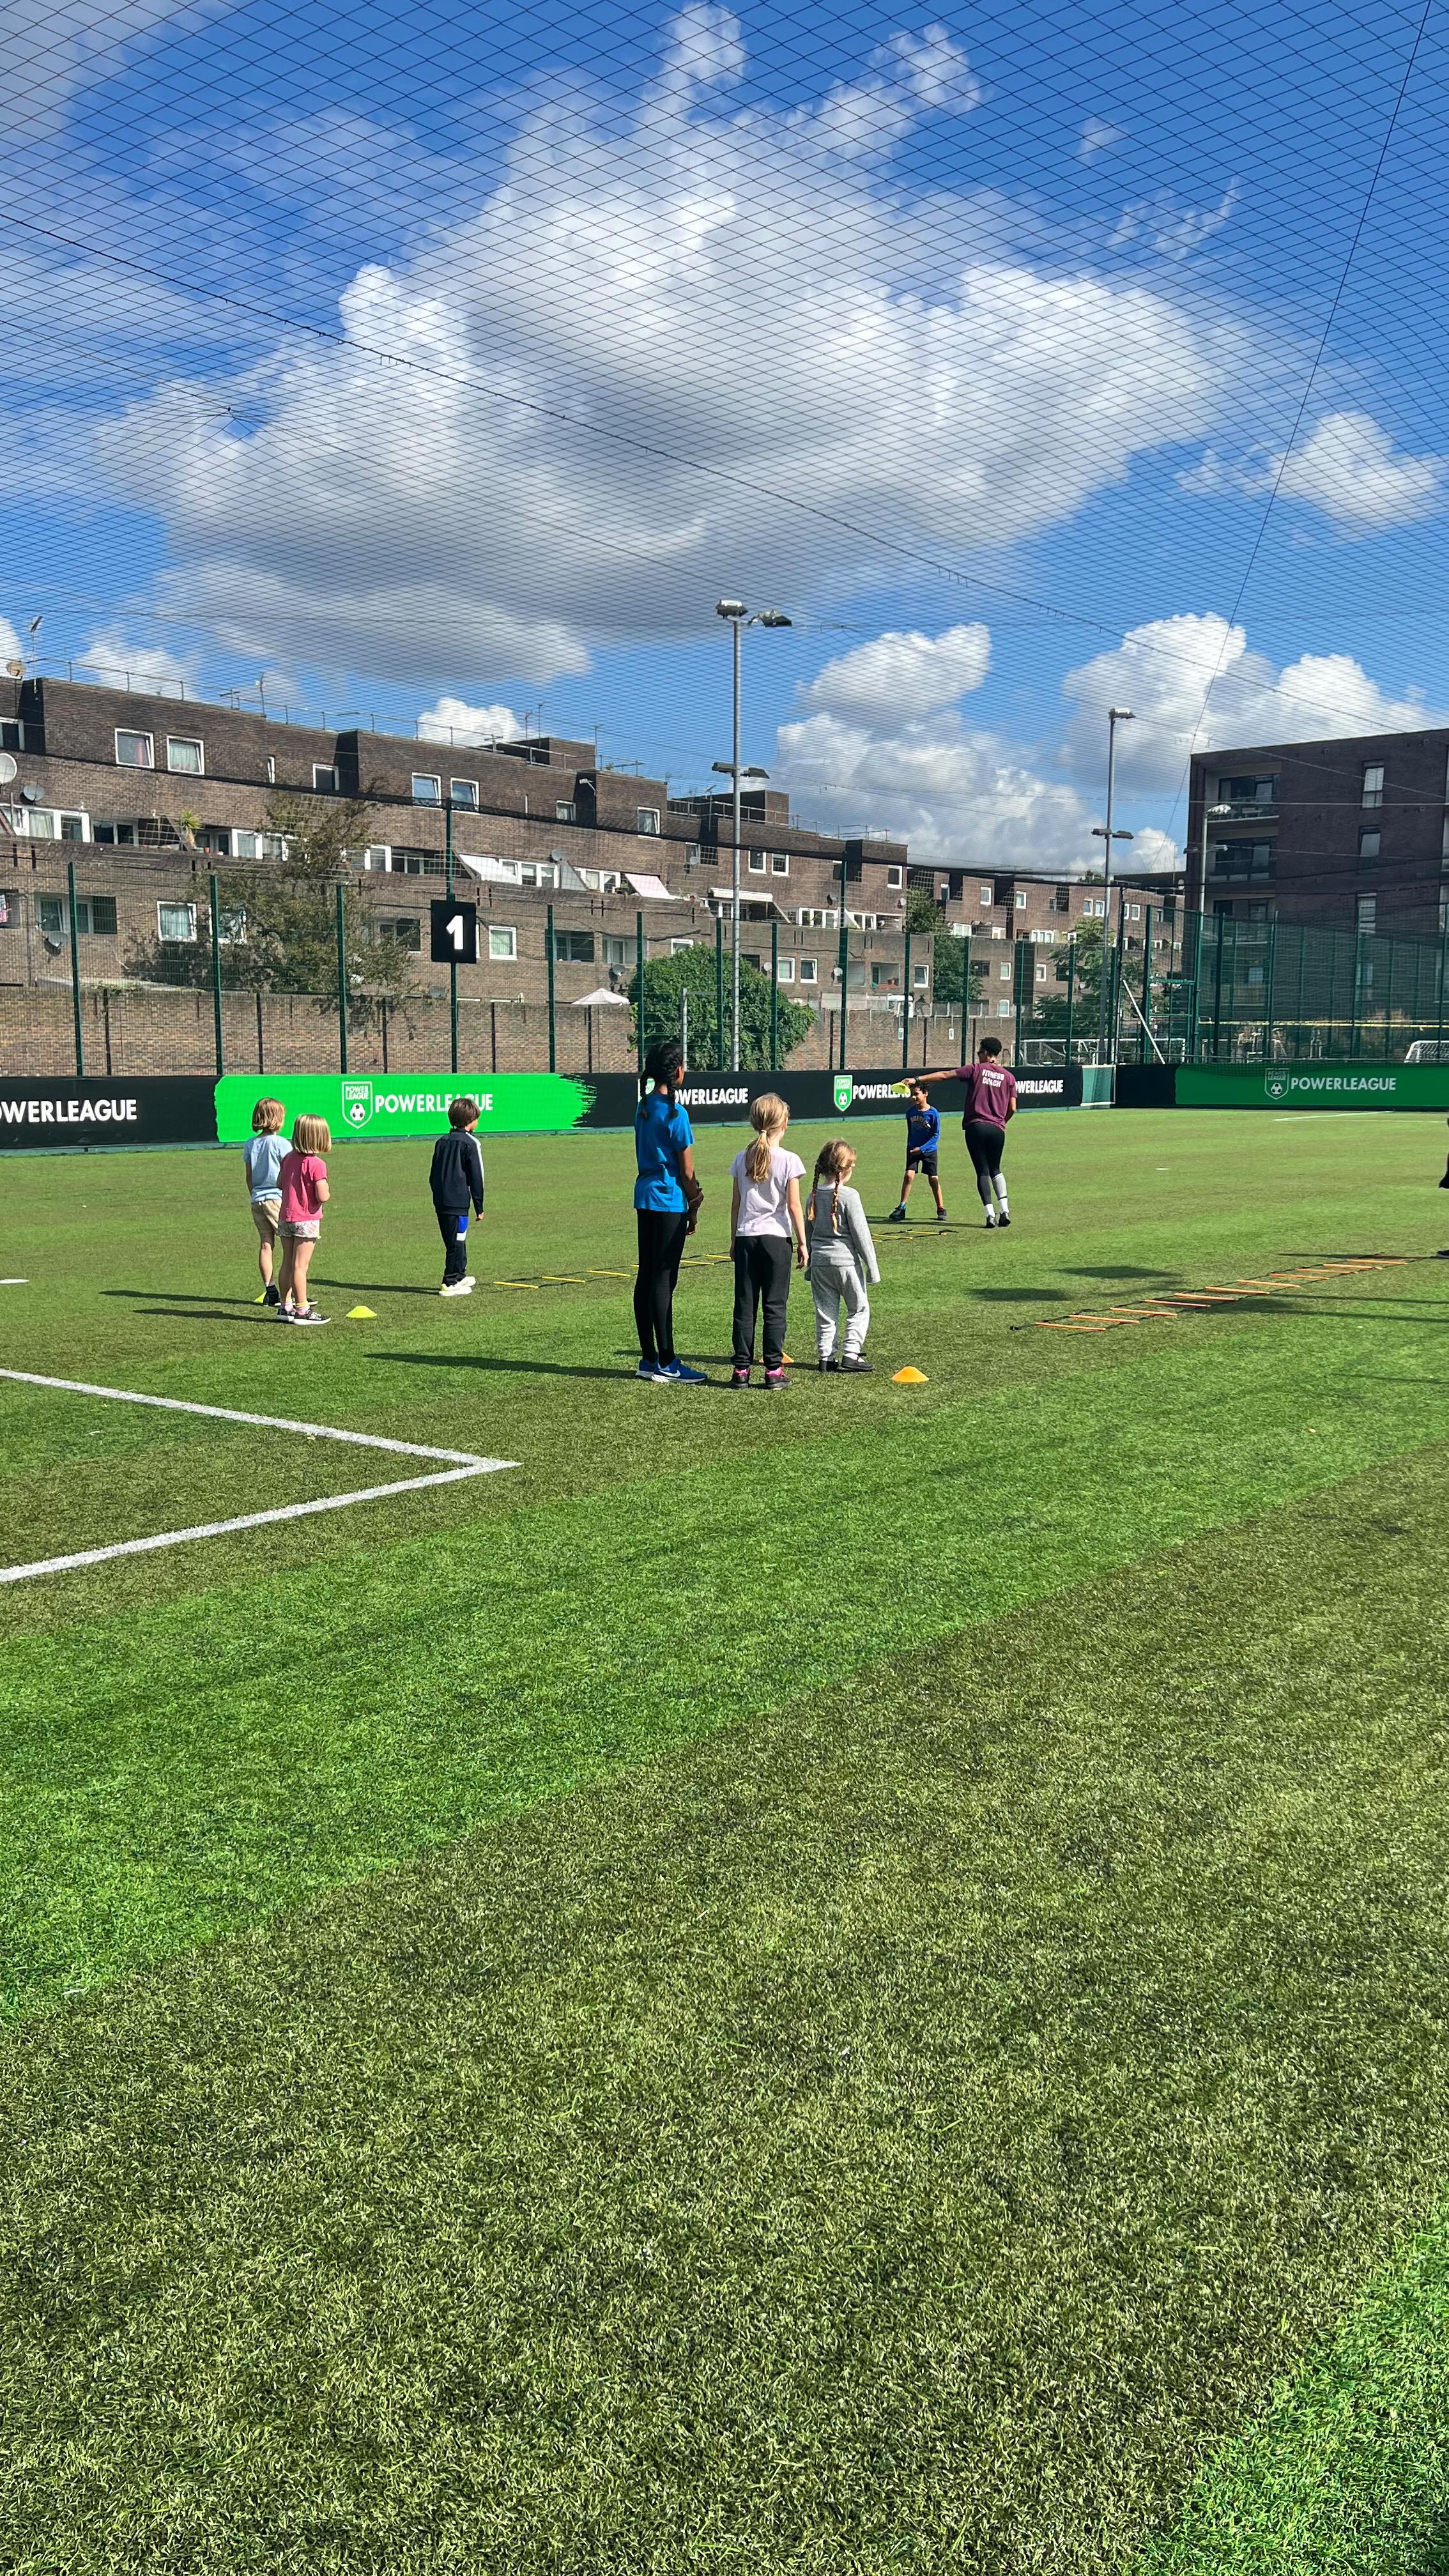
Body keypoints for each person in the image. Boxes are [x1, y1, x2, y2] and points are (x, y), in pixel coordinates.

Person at [633, 1037, 706, 1383]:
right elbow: (687, 1172)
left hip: (645, 1196)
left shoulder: (643, 1107)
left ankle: (648, 1359)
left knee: (646, 1276)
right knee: (663, 1279)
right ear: (678, 1072)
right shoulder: (677, 1113)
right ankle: (667, 1360)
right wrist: (695, 1200)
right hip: (668, 1200)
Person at [729, 1092, 806, 1392]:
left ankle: (741, 1370)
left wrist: (734, 1238)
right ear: (784, 1122)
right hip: (777, 1240)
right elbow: (794, 1206)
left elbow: (736, 1204)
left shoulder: (741, 1158)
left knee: (745, 1306)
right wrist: (803, 1242)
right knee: (775, 1306)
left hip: (747, 1237)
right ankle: (773, 1370)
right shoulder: (790, 1160)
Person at [918, 1038, 1018, 1228]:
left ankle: (990, 1215)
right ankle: (1004, 1210)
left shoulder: (975, 1069)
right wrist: (1002, 1122)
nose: (978, 1055)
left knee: (982, 1171)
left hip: (976, 1126)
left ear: (985, 1053)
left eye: (980, 1052)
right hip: (998, 1129)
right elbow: (1013, 1107)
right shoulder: (1009, 1077)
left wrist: (918, 1079)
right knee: (996, 1169)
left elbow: (946, 1076)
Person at [807, 1138, 880, 1373]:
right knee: (859, 1308)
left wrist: (811, 1264)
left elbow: (809, 1236)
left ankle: (826, 1357)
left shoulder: (813, 1197)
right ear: (844, 1169)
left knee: (826, 1313)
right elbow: (862, 1235)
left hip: (820, 1264)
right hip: (847, 1264)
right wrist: (872, 1267)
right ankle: (851, 1354)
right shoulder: (850, 1196)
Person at [275, 1114, 332, 1323]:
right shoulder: (317, 1164)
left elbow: (280, 1183)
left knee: (287, 1263)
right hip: (306, 1219)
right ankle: (302, 1310)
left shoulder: (288, 1158)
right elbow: (322, 1196)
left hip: (286, 1217)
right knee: (301, 1266)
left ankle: (285, 1306)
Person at [430, 1096, 486, 1297]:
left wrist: (438, 1195)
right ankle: (450, 1281)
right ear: (470, 1122)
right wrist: (479, 1206)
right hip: (459, 1202)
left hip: (442, 1201)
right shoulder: (471, 1143)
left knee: (454, 1240)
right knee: (456, 1241)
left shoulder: (441, 1142)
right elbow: (477, 1176)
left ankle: (460, 1275)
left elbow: (433, 1175)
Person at [243, 1096, 288, 1305]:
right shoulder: (281, 1144)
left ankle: (271, 1292)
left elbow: (249, 1177)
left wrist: (254, 1194)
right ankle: (293, 1292)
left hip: (257, 1200)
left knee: (265, 1245)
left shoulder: (251, 1144)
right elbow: (289, 1174)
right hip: (277, 1199)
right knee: (291, 1245)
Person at [885, 1079, 946, 1223]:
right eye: (912, 1094)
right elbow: (911, 1132)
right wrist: (911, 1147)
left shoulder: (933, 1113)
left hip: (929, 1150)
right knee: (908, 1175)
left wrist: (923, 1149)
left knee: (933, 1179)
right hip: (913, 1149)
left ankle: (941, 1208)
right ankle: (902, 1208)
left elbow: (936, 1135)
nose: (913, 1097)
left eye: (916, 1094)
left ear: (925, 1094)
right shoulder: (910, 1113)